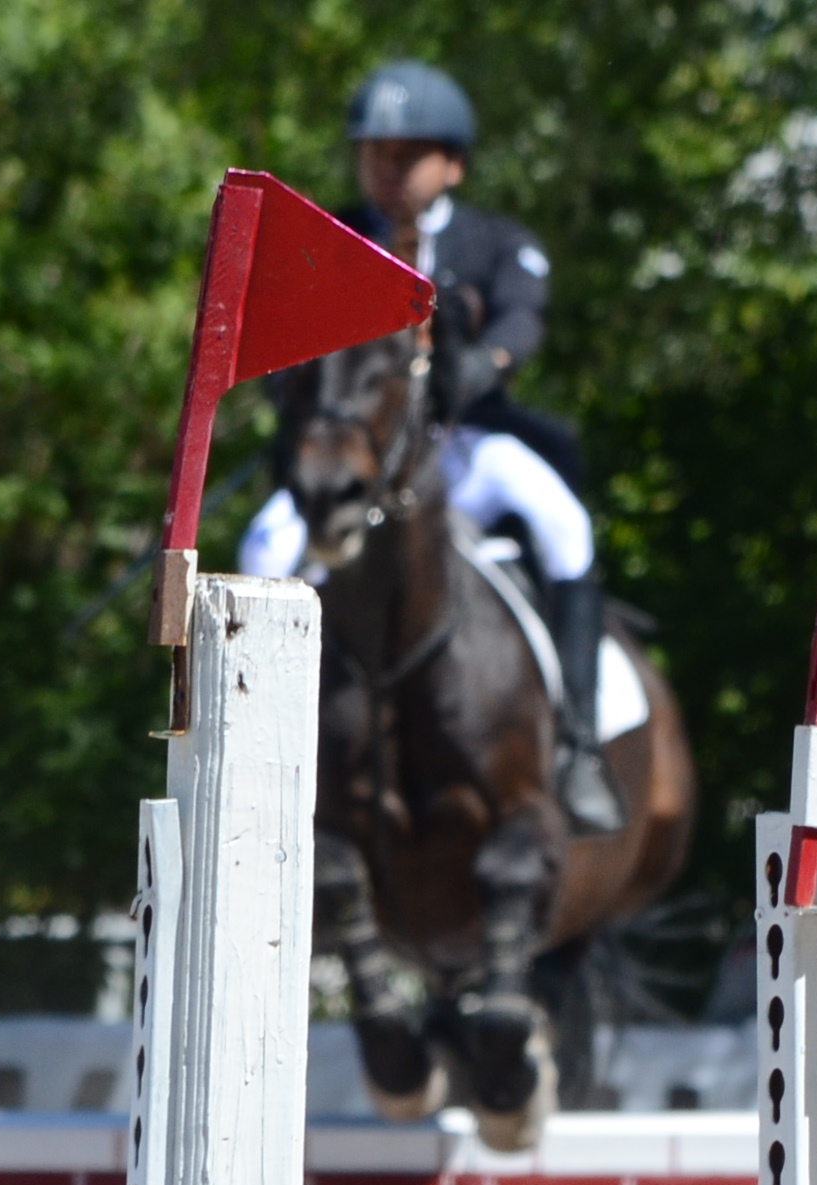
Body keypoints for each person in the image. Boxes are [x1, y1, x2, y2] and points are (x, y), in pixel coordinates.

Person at [238, 60, 622, 834]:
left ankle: (578, 746)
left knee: (565, 526)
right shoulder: (331, 242)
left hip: (466, 445)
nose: (389, 169)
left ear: (454, 164)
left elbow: (519, 322)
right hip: (362, 454)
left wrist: (478, 367)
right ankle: (253, 757)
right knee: (262, 547)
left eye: (408, 155)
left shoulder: (498, 243)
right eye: (375, 153)